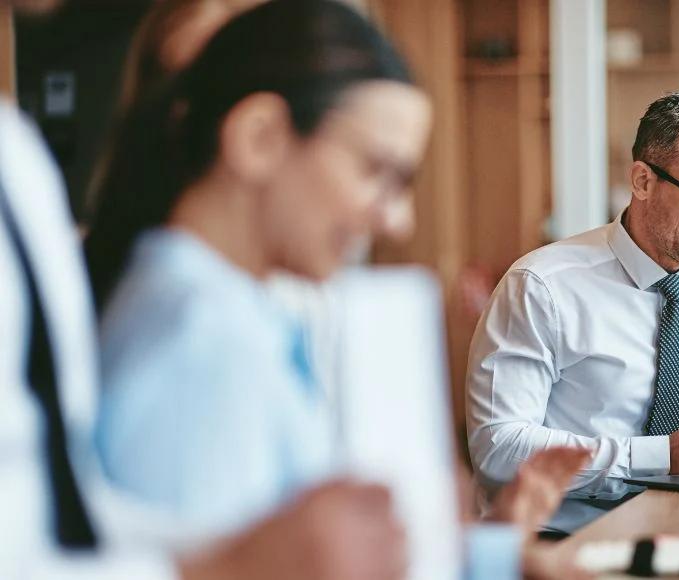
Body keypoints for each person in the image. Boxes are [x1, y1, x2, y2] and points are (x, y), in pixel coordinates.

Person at [0, 0, 408, 577]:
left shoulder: (19, 163)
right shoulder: (199, 340)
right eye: (375, 169)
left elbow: (64, 517)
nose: (398, 220)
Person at [466, 90, 679, 534]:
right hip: (561, 539)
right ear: (642, 181)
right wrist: (660, 456)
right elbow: (498, 449)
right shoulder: (542, 286)